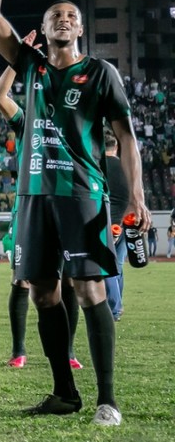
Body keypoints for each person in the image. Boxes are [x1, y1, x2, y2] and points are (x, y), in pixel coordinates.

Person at [0, 0, 148, 426]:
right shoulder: (26, 67)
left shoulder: (100, 74)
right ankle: (64, 392)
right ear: (45, 29)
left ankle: (107, 398)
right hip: (33, 197)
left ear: (80, 29)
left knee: (89, 288)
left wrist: (137, 197)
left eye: (72, 15)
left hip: (82, 194)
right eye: (55, 16)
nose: (64, 19)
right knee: (43, 291)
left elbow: (126, 136)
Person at [0, 47, 84, 370]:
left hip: (66, 205)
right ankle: (19, 351)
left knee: (69, 279)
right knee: (22, 280)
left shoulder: (72, 120)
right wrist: (17, 62)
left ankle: (69, 352)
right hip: (30, 208)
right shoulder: (26, 120)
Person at [102, 133, 128, 321]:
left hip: (107, 223)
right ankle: (117, 304)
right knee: (117, 265)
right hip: (126, 222)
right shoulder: (128, 167)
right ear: (116, 147)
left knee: (107, 267)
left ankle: (114, 307)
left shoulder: (99, 167)